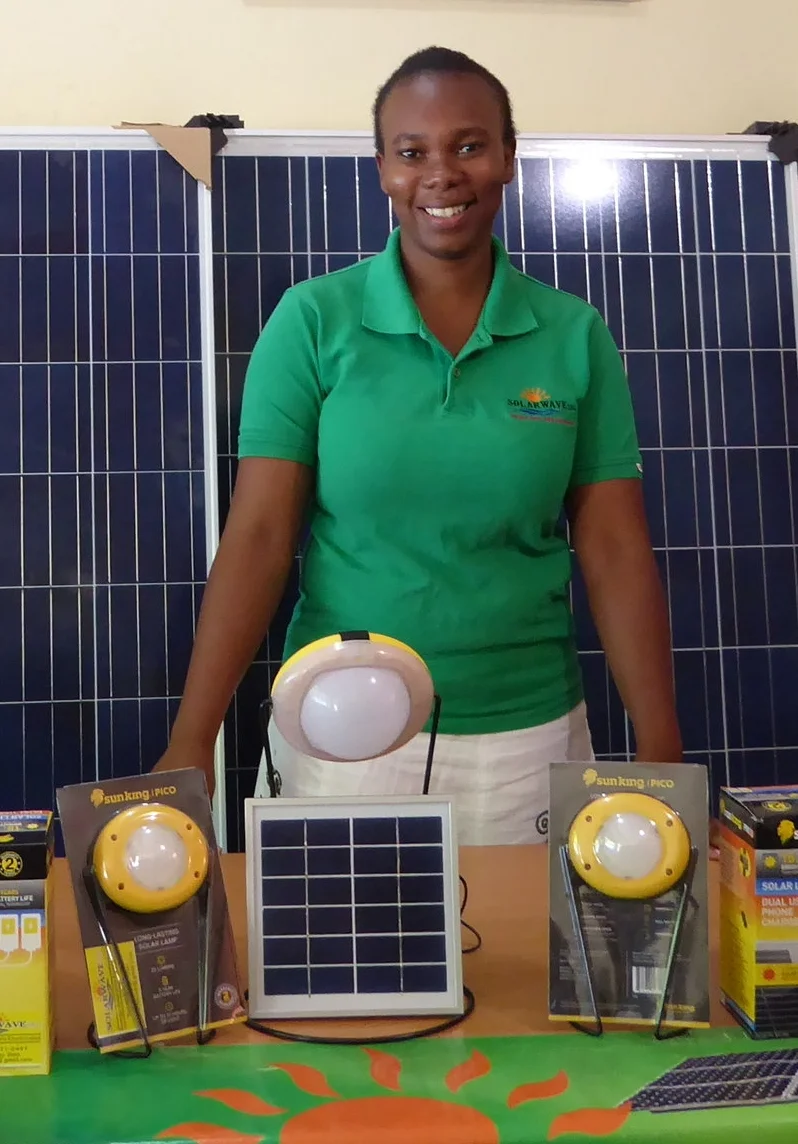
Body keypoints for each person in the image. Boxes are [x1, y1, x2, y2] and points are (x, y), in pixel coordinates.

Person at [153, 46, 683, 845]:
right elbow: (260, 537)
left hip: (525, 738)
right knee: (339, 970)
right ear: (383, 170)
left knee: (525, 968)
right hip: (340, 734)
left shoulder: (574, 335)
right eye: (413, 152)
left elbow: (612, 545)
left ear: (508, 158)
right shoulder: (312, 320)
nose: (442, 173)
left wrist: (660, 745)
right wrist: (193, 740)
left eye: (469, 145)